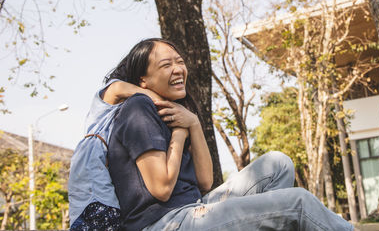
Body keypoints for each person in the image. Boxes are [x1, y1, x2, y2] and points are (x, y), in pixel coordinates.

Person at [104, 38, 354, 231]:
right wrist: (180, 134)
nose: (178, 69)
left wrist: (194, 124)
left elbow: (205, 183)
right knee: (299, 203)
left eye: (179, 62)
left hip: (193, 209)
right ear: (143, 80)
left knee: (278, 164)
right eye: (166, 65)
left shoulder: (175, 112)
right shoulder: (139, 107)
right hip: (164, 223)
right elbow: (161, 188)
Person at [69, 77, 164, 230]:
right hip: (94, 196)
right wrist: (167, 102)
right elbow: (119, 89)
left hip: (96, 202)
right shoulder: (104, 105)